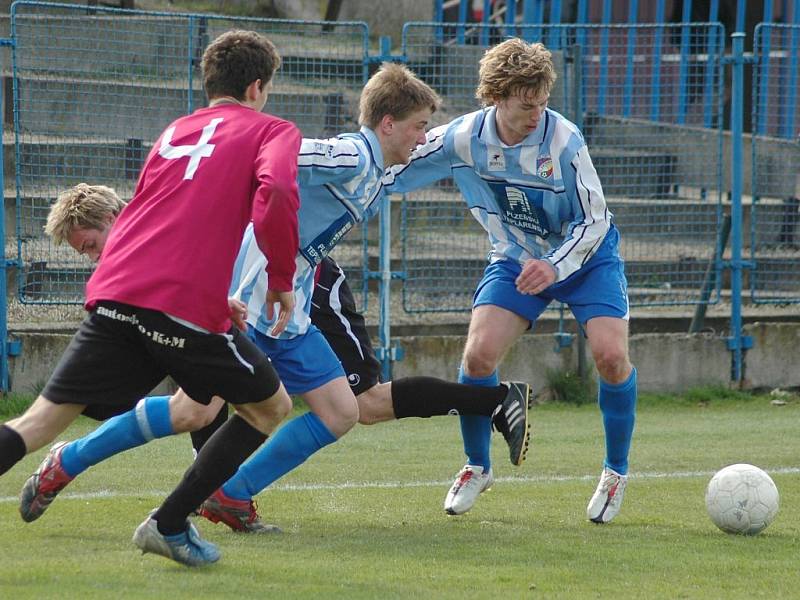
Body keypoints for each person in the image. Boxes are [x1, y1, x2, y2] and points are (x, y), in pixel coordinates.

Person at [18, 65, 531, 535]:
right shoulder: (351, 152)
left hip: (291, 305)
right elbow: (277, 155)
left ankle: (231, 494)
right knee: (193, 411)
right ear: (389, 123)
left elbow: (438, 150)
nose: (424, 138)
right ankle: (72, 460)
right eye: (419, 126)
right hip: (252, 292)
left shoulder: (378, 167)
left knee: (339, 412)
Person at [0, 29, 302, 567]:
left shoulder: (174, 130)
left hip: (116, 292)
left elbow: (151, 216)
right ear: (258, 87)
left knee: (38, 423)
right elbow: (277, 193)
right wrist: (280, 278)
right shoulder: (272, 129)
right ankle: (167, 524)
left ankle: (76, 469)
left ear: (209, 82)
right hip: (178, 303)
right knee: (269, 407)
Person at [383, 38, 638, 522]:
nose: (538, 113)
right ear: (496, 97)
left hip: (587, 260)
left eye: (543, 102)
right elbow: (397, 163)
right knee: (478, 356)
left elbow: (595, 220)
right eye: (527, 104)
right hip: (517, 258)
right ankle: (477, 466)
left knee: (610, 357)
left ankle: (615, 471)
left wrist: (556, 266)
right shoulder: (463, 138)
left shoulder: (564, 140)